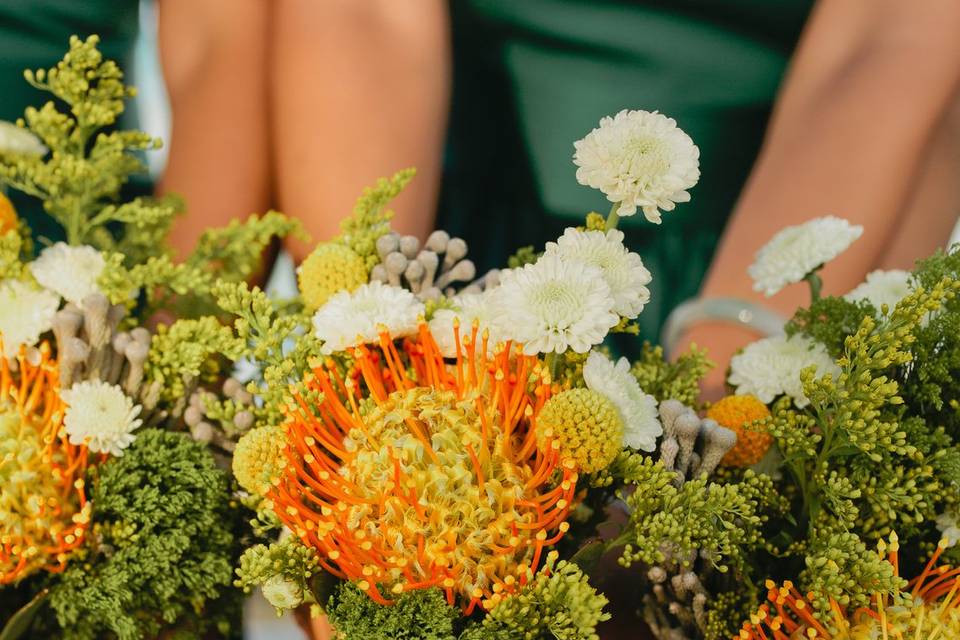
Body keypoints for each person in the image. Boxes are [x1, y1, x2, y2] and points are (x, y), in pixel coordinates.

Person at [161, 0, 959, 404]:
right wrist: (383, 353)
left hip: (786, 259)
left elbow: (887, 40)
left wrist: (711, 419)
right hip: (455, 247)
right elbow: (367, 15)